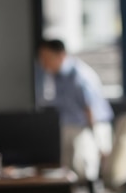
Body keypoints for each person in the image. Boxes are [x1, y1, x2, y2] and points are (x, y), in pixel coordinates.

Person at [36, 38, 114, 181]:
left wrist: (98, 141)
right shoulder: (55, 75)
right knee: (67, 169)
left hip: (87, 125)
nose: (43, 62)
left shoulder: (79, 76)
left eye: (46, 57)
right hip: (70, 124)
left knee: (83, 168)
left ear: (60, 55)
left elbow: (90, 109)